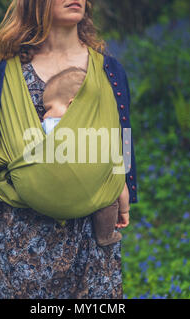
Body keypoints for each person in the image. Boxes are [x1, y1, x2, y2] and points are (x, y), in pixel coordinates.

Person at [0, 0, 138, 299]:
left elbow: (121, 133)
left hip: (91, 230)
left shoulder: (108, 70)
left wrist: (123, 181)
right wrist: (23, 189)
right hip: (25, 229)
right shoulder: (9, 74)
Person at [40, 66, 129, 246]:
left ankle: (58, 221)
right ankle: (105, 235)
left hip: (56, 191)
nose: (44, 115)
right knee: (114, 189)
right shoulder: (98, 130)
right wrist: (125, 209)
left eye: (48, 108)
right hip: (92, 189)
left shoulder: (46, 126)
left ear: (73, 105)